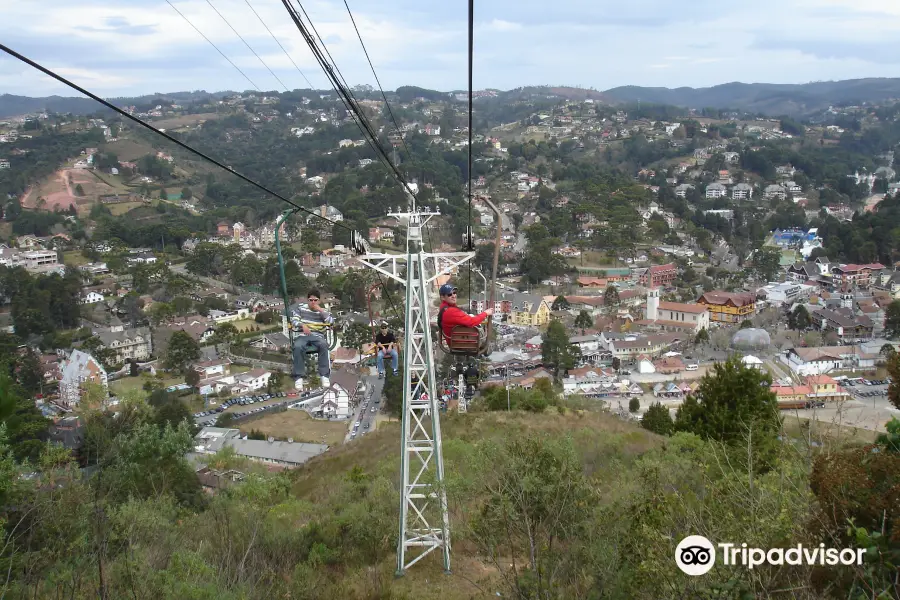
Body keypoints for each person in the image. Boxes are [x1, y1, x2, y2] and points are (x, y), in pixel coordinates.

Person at [288, 289, 333, 390]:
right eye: (310, 300)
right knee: (298, 346)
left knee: (323, 345)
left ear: (319, 301)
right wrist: (302, 325)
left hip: (317, 335)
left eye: (315, 300)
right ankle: (299, 377)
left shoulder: (323, 311)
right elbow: (294, 320)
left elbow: (331, 322)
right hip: (303, 335)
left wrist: (321, 311)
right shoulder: (300, 309)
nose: (313, 302)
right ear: (307, 300)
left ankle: (324, 375)